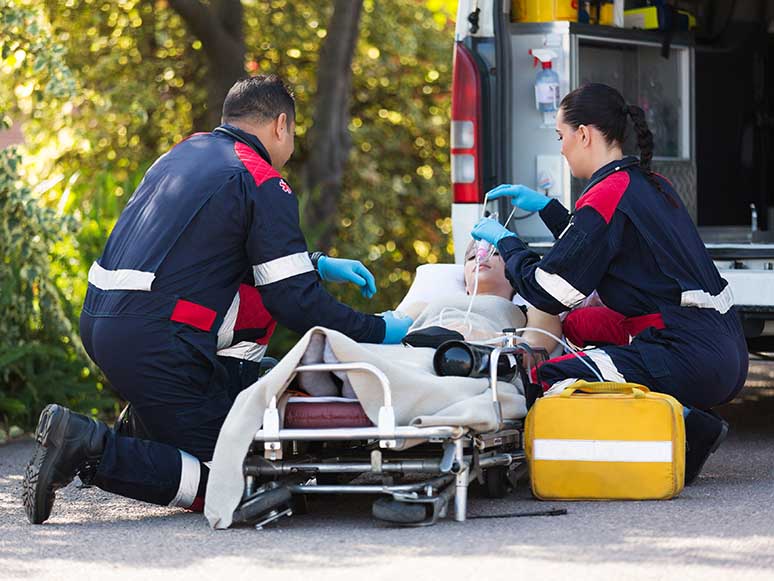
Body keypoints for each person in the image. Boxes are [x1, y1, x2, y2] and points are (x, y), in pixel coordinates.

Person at [22, 74, 413, 524]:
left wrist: (316, 262)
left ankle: (148, 426)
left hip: (105, 323)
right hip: (157, 342)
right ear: (280, 125)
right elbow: (295, 302)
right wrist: (380, 329)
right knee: (243, 481)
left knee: (218, 430)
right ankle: (89, 448)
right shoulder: (263, 181)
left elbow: (207, 251)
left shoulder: (185, 154)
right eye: (294, 134)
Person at [470, 83, 748, 484]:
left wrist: (507, 243)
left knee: (549, 377)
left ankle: (686, 426)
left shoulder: (607, 194)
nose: (562, 148)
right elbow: (599, 241)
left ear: (584, 134)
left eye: (561, 136)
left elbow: (549, 290)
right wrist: (548, 209)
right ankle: (687, 421)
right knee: (583, 327)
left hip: (689, 354)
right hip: (723, 348)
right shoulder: (650, 184)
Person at [402, 238, 562, 350]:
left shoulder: (535, 311)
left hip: (470, 362)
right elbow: (384, 329)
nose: (481, 258)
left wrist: (485, 338)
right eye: (472, 257)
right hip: (413, 355)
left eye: (496, 253)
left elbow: (533, 351)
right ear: (465, 281)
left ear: (515, 273)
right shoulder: (423, 306)